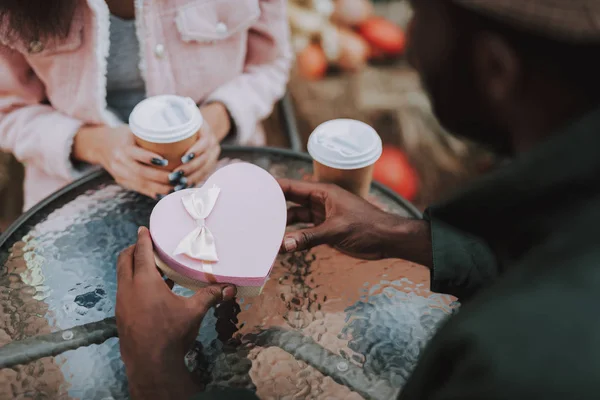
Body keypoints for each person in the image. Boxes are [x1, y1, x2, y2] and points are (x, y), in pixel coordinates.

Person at [116, 0, 600, 399]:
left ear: (496, 67)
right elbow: (534, 254)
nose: (407, 42)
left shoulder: (518, 362)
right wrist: (408, 236)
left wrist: (154, 369)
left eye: (420, 13)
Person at [0, 0, 291, 210]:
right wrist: (95, 146)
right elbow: (8, 109)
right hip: (75, 198)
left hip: (221, 177)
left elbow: (270, 64)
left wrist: (218, 119)